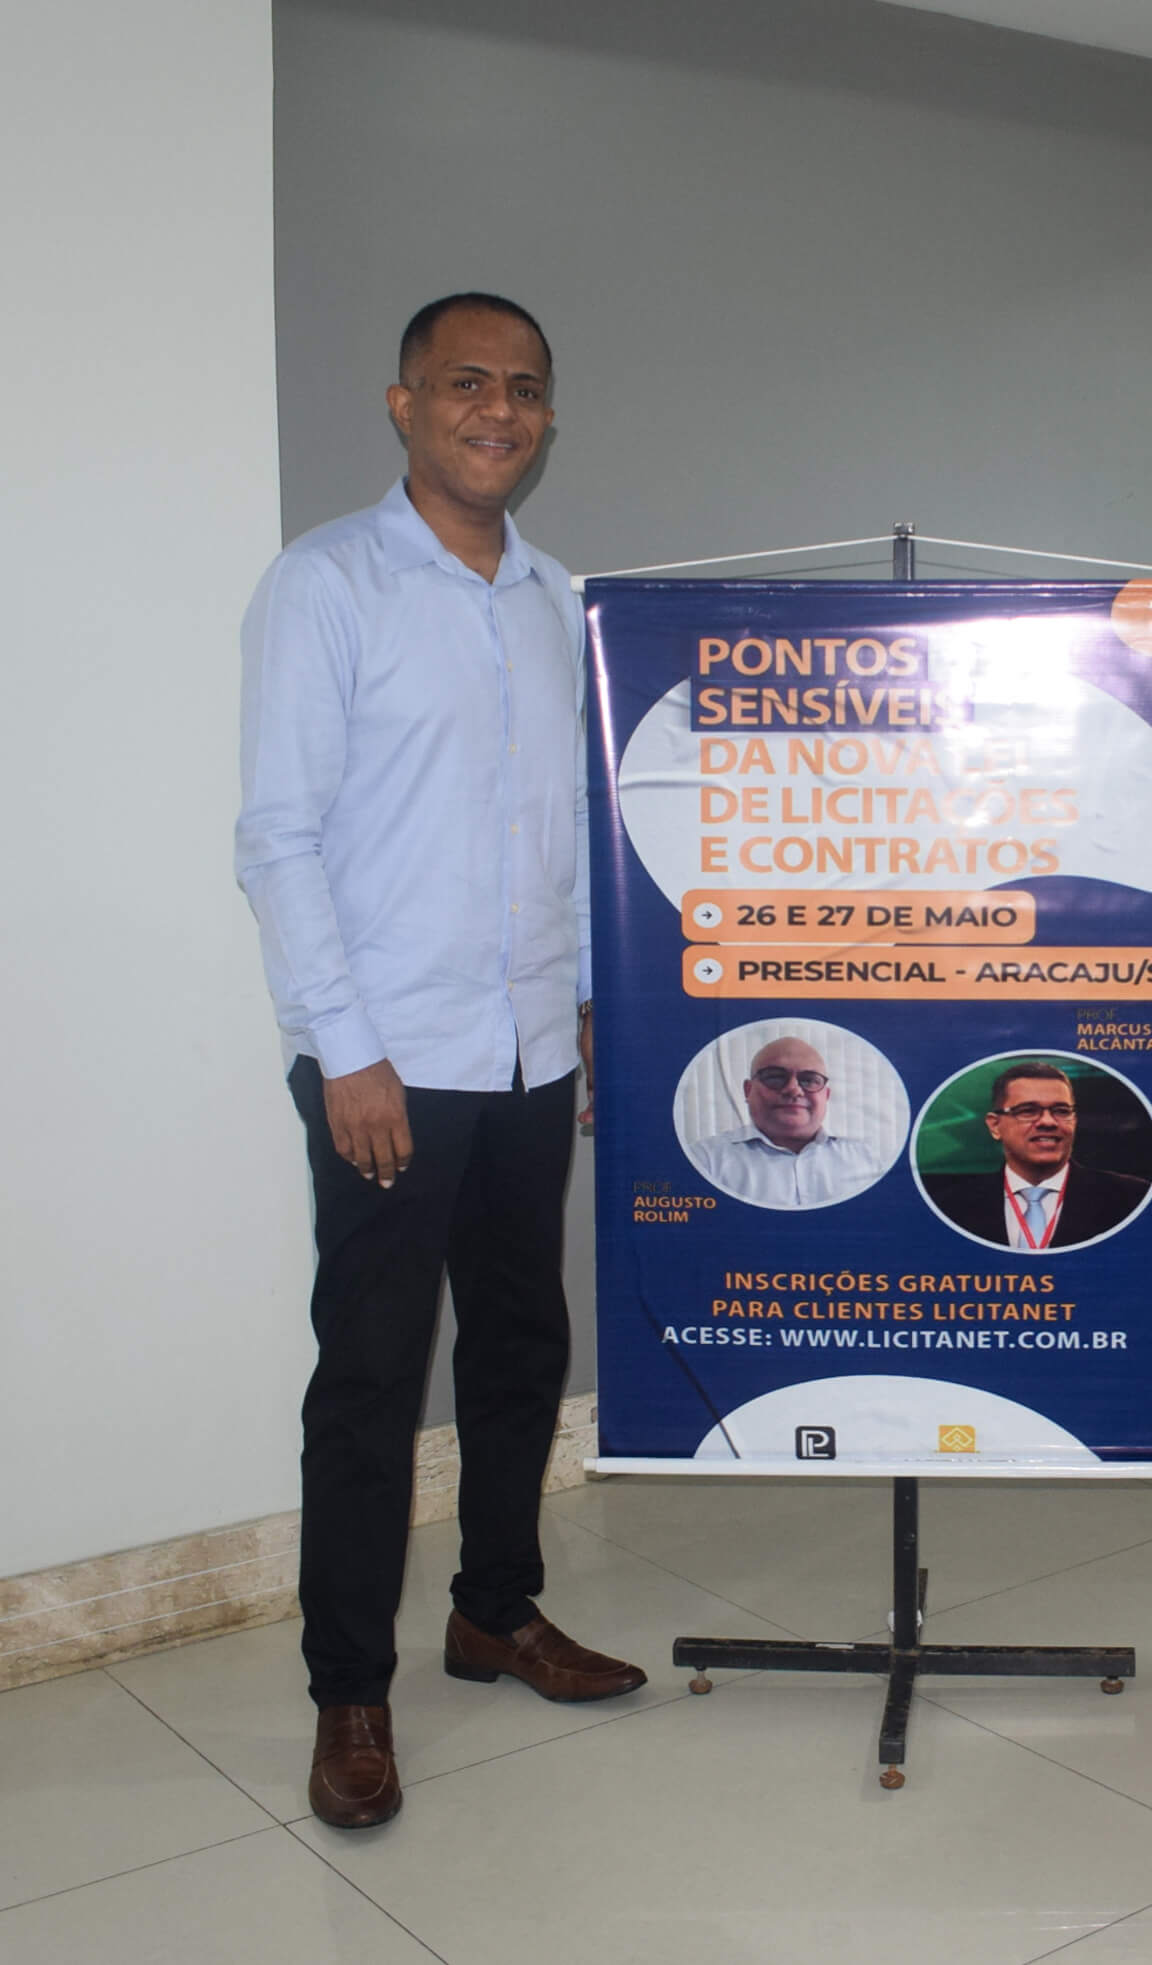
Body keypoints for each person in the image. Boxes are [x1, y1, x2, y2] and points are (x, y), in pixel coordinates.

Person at [236, 293, 645, 1832]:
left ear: (548, 417)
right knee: (371, 1377)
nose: (499, 409)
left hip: (527, 1050)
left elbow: (571, 832)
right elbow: (278, 837)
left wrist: (589, 1001)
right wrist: (347, 1052)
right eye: (466, 382)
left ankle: (494, 1611)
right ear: (403, 403)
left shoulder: (556, 600)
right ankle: (350, 1689)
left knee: (521, 1346)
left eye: (525, 388)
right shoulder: (327, 584)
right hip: (389, 1066)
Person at [922, 1062, 1150, 1249]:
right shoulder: (949, 1208)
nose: (1048, 1122)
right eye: (1028, 1111)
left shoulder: (1134, 1199)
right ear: (995, 1126)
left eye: (1061, 1111)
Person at [687, 1034, 885, 1208]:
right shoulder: (705, 1161)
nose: (793, 1089)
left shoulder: (866, 1160)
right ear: (748, 1090)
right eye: (775, 1077)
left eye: (809, 1080)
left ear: (826, 1095)